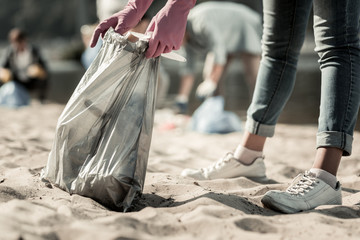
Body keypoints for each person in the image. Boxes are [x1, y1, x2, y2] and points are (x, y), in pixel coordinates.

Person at [90, 0, 360, 214]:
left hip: (239, 26)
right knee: (277, 48)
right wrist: (135, 7)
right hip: (225, 29)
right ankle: (249, 157)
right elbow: (195, 63)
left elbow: (219, 53)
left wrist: (178, 5)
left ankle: (325, 175)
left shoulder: (203, 23)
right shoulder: (194, 34)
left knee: (337, 44)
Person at [175, 1, 262, 115]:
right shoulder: (185, 37)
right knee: (211, 75)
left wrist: (211, 81)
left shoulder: (200, 22)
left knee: (254, 75)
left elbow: (218, 50)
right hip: (224, 34)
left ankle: (260, 112)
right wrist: (182, 98)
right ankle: (216, 111)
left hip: (244, 23)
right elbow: (188, 66)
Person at [0, 28, 48, 104]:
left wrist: (38, 69)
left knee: (43, 77)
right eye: (15, 42)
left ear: (25, 40)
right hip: (16, 79)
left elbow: (44, 67)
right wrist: (5, 73)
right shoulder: (9, 52)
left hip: (31, 79)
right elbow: (3, 67)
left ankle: (41, 99)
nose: (18, 45)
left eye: (20, 41)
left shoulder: (34, 51)